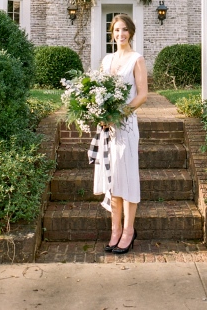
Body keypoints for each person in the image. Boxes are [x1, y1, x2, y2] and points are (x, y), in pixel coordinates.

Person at [94, 14, 147, 254]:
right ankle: (114, 230)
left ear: (131, 33)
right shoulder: (106, 60)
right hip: (106, 127)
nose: (120, 34)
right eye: (116, 30)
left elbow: (142, 94)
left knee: (127, 178)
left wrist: (119, 114)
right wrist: (99, 113)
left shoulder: (137, 59)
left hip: (125, 126)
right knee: (112, 178)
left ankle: (128, 231)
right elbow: (98, 92)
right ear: (111, 33)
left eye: (125, 30)